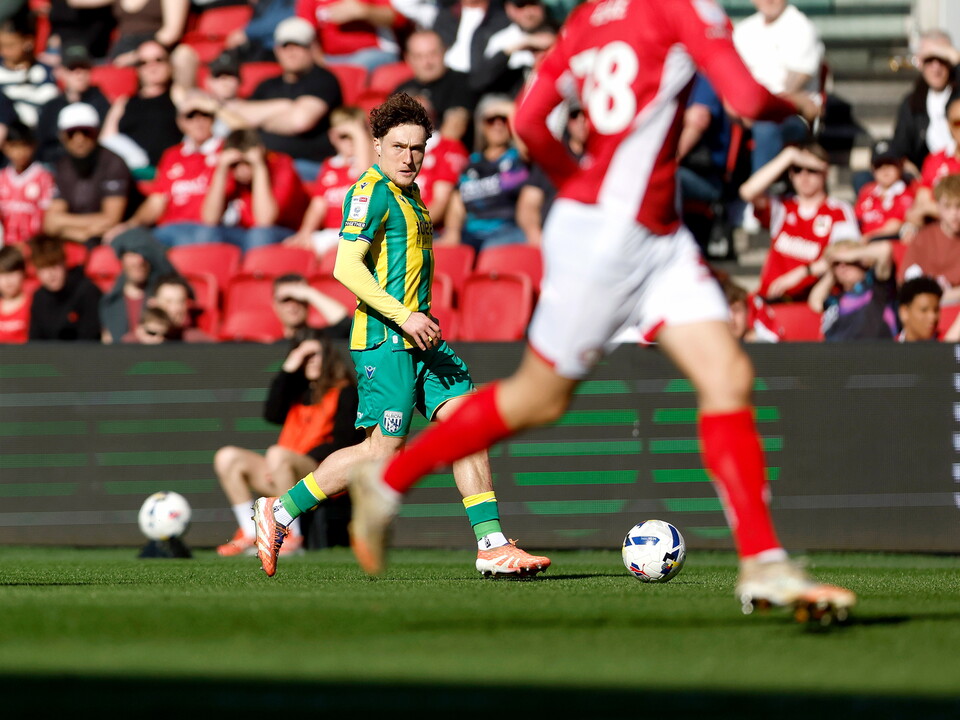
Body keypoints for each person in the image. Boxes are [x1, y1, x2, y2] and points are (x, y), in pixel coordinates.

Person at [342, 1, 856, 620]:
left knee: (727, 377)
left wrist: (582, 183)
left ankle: (764, 563)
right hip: (616, 233)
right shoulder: (681, 8)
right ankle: (388, 482)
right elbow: (746, 99)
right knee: (540, 398)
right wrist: (798, 105)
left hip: (650, 232)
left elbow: (530, 122)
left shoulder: (586, 18)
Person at [251, 92, 551, 579]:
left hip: (423, 340)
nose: (409, 157)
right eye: (399, 146)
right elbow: (345, 267)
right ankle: (278, 512)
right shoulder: (368, 193)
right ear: (377, 146)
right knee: (380, 452)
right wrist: (406, 317)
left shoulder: (410, 195)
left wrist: (418, 321)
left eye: (418, 147)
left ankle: (491, 545)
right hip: (386, 340)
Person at [215, 330, 363, 556]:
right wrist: (289, 366)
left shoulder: (345, 391)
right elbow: (271, 413)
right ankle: (251, 532)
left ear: (328, 357)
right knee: (227, 457)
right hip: (282, 469)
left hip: (321, 471)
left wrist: (286, 462)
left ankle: (288, 534)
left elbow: (345, 442)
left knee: (277, 455)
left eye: (315, 355)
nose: (310, 361)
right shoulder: (296, 392)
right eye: (305, 356)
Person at [223, 17, 343, 182]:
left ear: (312, 48)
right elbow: (238, 116)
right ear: (277, 50)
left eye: (298, 45)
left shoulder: (323, 79)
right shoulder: (267, 85)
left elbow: (300, 121)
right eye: (285, 46)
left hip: (306, 165)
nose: (291, 52)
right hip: (264, 161)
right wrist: (285, 106)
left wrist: (259, 119)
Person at [739, 142, 859, 302]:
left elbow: (848, 254)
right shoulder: (783, 207)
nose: (804, 176)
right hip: (770, 298)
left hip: (810, 303)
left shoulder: (838, 211)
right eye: (797, 169)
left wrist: (804, 272)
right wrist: (788, 156)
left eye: (811, 170)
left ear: (825, 173)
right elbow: (747, 192)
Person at [104, 91, 222, 248]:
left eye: (204, 115)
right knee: (128, 245)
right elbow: (157, 200)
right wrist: (130, 226)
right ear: (181, 122)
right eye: (191, 116)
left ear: (213, 119)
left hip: (208, 229)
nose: (198, 122)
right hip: (169, 229)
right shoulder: (172, 155)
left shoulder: (225, 153)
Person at [732, 0, 822, 173]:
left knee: (766, 126)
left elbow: (793, 86)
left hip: (791, 113)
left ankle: (759, 193)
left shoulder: (800, 27)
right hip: (746, 109)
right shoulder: (744, 30)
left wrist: (756, 109)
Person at [440, 94, 531, 251]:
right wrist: (453, 232)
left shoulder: (519, 157)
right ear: (482, 126)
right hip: (471, 233)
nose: (498, 125)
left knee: (491, 247)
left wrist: (512, 113)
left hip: (507, 231)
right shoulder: (472, 163)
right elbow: (457, 204)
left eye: (503, 120)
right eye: (491, 120)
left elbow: (525, 143)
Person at [43, 103, 135, 248]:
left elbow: (111, 219)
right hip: (82, 237)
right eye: (72, 133)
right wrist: (84, 234)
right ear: (62, 136)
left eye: (86, 132)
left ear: (97, 133)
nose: (79, 139)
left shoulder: (114, 163)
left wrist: (64, 223)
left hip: (110, 240)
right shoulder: (62, 165)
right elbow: (50, 223)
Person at [284, 106, 374, 255]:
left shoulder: (373, 162)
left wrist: (358, 133)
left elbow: (364, 175)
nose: (350, 141)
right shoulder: (330, 166)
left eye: (355, 136)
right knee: (292, 251)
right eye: (344, 136)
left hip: (361, 233)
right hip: (332, 232)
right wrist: (305, 233)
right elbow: (319, 204)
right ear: (333, 136)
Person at [202, 128, 310, 252]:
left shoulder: (281, 166)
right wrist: (221, 169)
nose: (242, 170)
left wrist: (259, 166)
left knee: (259, 235)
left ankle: (254, 271)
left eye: (247, 163)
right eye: (235, 164)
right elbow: (209, 219)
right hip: (246, 234)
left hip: (284, 233)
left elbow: (264, 221)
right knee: (208, 233)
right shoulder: (228, 171)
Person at [100, 39, 185, 172]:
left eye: (158, 60)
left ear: (170, 64)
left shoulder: (178, 96)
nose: (152, 66)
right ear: (138, 69)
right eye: (143, 63)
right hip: (130, 171)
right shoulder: (124, 102)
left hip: (170, 169)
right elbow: (107, 140)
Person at [890, 30, 960, 176]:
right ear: (920, 63)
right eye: (929, 60)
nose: (936, 67)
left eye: (942, 60)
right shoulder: (913, 101)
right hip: (926, 175)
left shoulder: (957, 94)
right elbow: (901, 148)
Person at [806, 239, 896, 341]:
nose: (843, 266)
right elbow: (815, 302)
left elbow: (885, 249)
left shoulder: (877, 286)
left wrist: (849, 255)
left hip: (872, 352)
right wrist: (831, 272)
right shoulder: (837, 299)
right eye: (837, 263)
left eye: (849, 261)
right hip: (836, 354)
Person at [35, 45, 110, 165]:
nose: (79, 74)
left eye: (84, 68)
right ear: (60, 72)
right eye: (72, 68)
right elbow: (42, 145)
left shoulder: (102, 103)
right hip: (56, 165)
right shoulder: (51, 107)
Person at [394, 30, 475, 143]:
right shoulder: (401, 90)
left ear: (444, 51)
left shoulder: (461, 82)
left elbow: (456, 124)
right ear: (408, 58)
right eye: (419, 56)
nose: (427, 62)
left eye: (432, 54)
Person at [98, 226, 176, 343]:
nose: (138, 261)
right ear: (122, 259)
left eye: (144, 254)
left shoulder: (163, 297)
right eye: (132, 254)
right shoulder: (110, 304)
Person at [470, 0, 557, 98]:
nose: (528, 12)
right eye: (520, 6)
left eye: (533, 4)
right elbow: (478, 81)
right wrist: (517, 46)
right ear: (509, 9)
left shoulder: (561, 33)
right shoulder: (501, 39)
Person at [899, 173, 960, 305]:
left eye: (959, 206)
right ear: (938, 207)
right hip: (925, 310)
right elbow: (906, 285)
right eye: (948, 206)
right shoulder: (924, 237)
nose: (954, 213)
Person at [27, 233, 102, 340]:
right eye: (43, 269)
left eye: (54, 266)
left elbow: (89, 339)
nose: (50, 275)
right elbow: (35, 341)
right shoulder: (39, 297)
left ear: (64, 263)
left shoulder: (87, 291)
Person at [903, 94, 960, 234]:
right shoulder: (935, 159)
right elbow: (921, 201)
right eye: (958, 123)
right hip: (937, 233)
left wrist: (930, 209)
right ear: (948, 125)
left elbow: (925, 207)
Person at [295, 0, 400, 71]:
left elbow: (396, 18)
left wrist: (365, 11)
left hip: (375, 52)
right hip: (329, 58)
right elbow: (306, 30)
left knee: (351, 70)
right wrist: (319, 62)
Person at [0, 11, 59, 130]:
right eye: (0, 45)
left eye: (10, 46)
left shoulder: (44, 73)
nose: (4, 51)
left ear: (28, 42)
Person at [0, 121, 54, 246]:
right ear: (5, 147)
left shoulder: (44, 178)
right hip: (6, 249)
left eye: (24, 146)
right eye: (14, 146)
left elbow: (48, 216)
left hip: (34, 246)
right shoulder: (1, 178)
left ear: (33, 146)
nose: (19, 152)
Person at [855, 139, 916, 242]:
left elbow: (895, 225)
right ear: (872, 169)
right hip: (863, 243)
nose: (884, 169)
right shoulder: (866, 191)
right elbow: (856, 219)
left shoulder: (909, 191)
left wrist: (866, 238)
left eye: (890, 163)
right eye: (879, 165)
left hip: (890, 243)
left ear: (900, 165)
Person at [272, 272, 351, 340]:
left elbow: (346, 325)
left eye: (299, 299)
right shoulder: (266, 347)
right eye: (286, 300)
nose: (293, 306)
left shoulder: (322, 339)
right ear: (275, 305)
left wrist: (309, 293)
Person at [146, 273, 215, 342]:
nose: (175, 309)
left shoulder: (196, 341)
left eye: (181, 302)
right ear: (153, 304)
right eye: (168, 302)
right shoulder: (139, 339)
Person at [896, 275, 943, 342]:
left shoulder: (950, 346)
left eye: (936, 310)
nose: (933, 317)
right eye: (924, 310)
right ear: (904, 312)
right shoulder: (888, 350)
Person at [0, 244, 30, 343]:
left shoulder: (33, 305)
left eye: (12, 272)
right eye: (3, 274)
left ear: (23, 273)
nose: (8, 280)